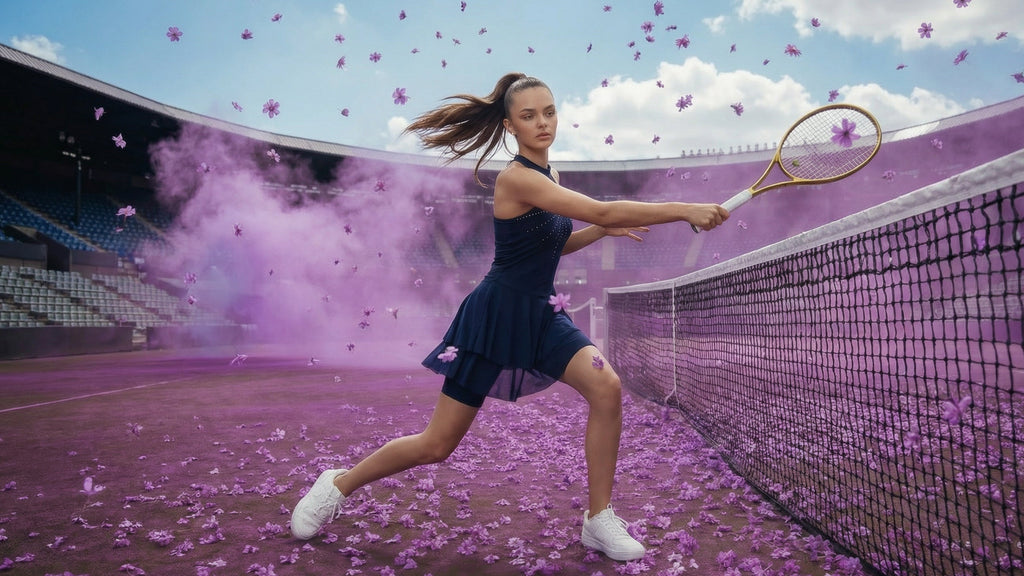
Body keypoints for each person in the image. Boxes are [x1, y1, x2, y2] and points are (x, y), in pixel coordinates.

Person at [290, 72, 728, 562]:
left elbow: (554, 244)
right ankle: (336, 485)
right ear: (510, 126)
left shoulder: (551, 176)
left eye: (549, 111)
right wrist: (683, 207)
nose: (542, 123)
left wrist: (600, 236)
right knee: (437, 445)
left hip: (543, 313)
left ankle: (598, 520)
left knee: (606, 388)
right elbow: (600, 211)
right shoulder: (516, 177)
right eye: (528, 116)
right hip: (495, 316)